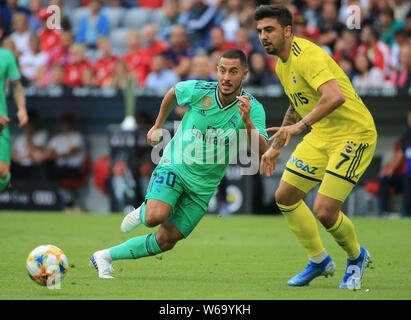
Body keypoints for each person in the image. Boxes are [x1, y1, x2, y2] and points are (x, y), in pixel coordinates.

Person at [90, 48, 268, 279]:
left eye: (233, 72)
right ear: (217, 71)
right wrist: (157, 125)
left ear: (244, 75)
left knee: (167, 240)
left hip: (203, 187)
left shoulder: (253, 107)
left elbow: (262, 149)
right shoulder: (199, 90)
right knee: (155, 217)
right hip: (177, 165)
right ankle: (144, 211)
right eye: (222, 70)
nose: (226, 77)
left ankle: (104, 256)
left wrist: (247, 123)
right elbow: (174, 92)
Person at [255, 5, 377, 289]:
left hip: (353, 134)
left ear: (288, 30)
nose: (263, 36)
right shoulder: (281, 64)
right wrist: (277, 147)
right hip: (322, 135)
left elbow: (334, 97)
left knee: (324, 210)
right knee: (285, 196)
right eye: (260, 31)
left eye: (269, 29)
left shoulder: (307, 55)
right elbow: (297, 104)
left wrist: (297, 128)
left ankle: (356, 257)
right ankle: (319, 260)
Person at [0, 46, 28, 193]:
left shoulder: (6, 56)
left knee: (3, 173)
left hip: (2, 123)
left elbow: (16, 85)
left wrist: (21, 108)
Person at [378, 109, 411, 218]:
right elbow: (400, 154)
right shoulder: (407, 135)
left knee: (408, 178)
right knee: (385, 179)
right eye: (409, 117)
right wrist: (390, 169)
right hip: (406, 174)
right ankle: (383, 212)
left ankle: (406, 213)